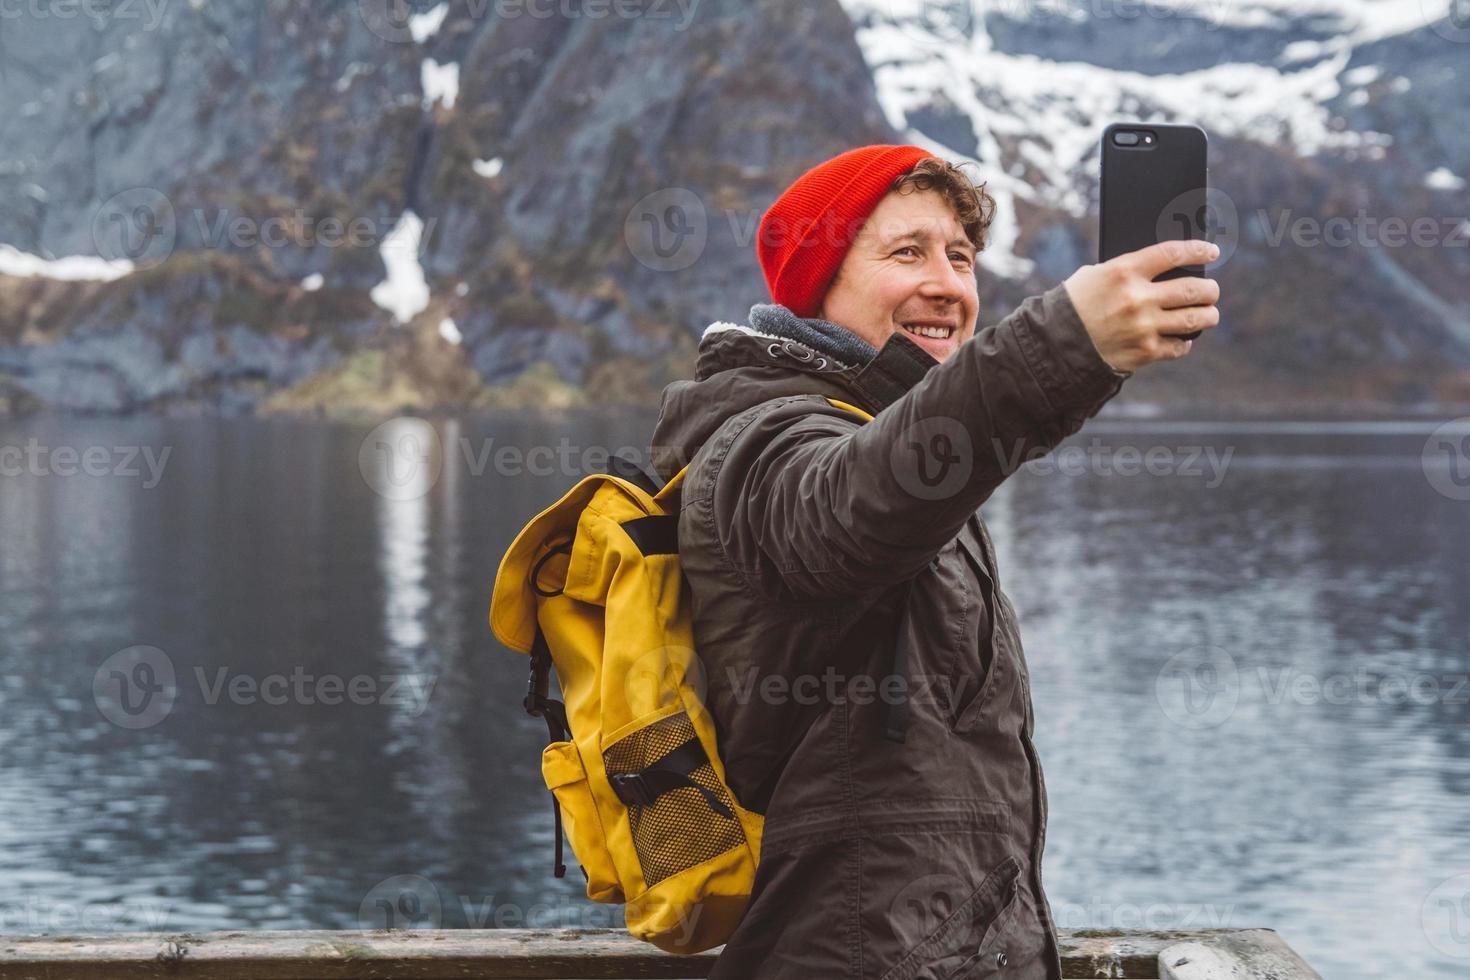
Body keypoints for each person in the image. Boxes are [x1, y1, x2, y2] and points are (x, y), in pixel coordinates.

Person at [648, 144, 1220, 979]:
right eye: (906, 251)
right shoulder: (761, 442)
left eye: (961, 256)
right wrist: (1066, 339)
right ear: (817, 283)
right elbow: (851, 505)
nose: (949, 284)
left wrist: (1091, 354)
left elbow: (928, 454)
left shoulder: (879, 432)